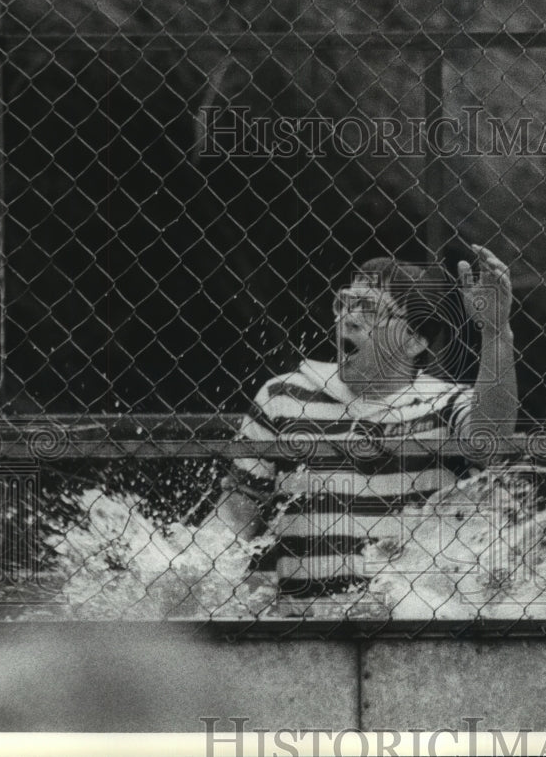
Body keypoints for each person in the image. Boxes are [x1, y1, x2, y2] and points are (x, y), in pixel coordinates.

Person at [205, 244, 517, 601]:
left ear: (414, 340)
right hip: (298, 625)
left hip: (408, 625)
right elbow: (235, 512)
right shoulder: (283, 396)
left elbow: (490, 438)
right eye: (347, 303)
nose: (349, 318)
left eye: (369, 310)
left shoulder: (444, 403)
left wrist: (495, 332)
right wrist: (195, 575)